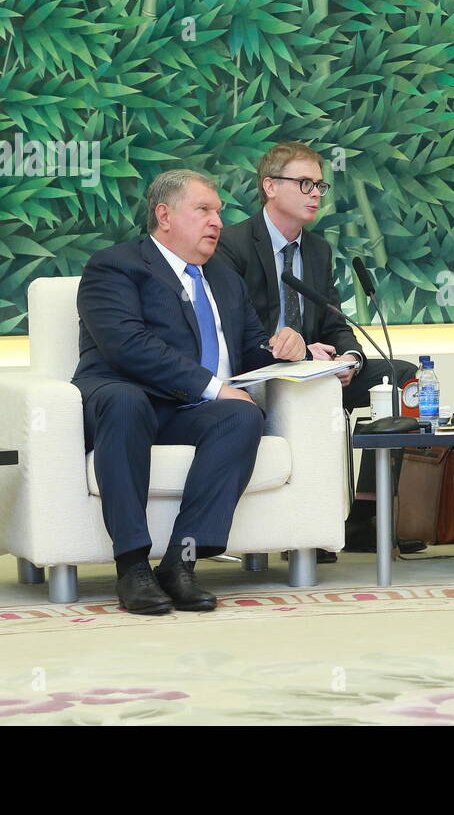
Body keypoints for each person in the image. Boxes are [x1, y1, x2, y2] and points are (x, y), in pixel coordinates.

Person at [73, 170, 305, 615]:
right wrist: (216, 388)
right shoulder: (116, 265)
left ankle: (181, 563)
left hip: (190, 410)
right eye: (204, 210)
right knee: (127, 401)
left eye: (218, 212)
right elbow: (127, 346)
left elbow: (250, 351)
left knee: (243, 416)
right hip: (123, 399)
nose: (217, 221)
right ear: (164, 215)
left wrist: (288, 348)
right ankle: (133, 566)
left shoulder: (223, 276)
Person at [213, 142, 423, 558]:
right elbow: (230, 326)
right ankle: (301, 524)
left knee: (400, 378)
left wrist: (350, 360)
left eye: (319, 185)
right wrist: (295, 350)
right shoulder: (233, 245)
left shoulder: (316, 249)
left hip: (316, 370)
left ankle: (366, 515)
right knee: (306, 388)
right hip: (258, 372)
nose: (315, 194)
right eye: (304, 183)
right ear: (269, 186)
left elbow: (333, 321)